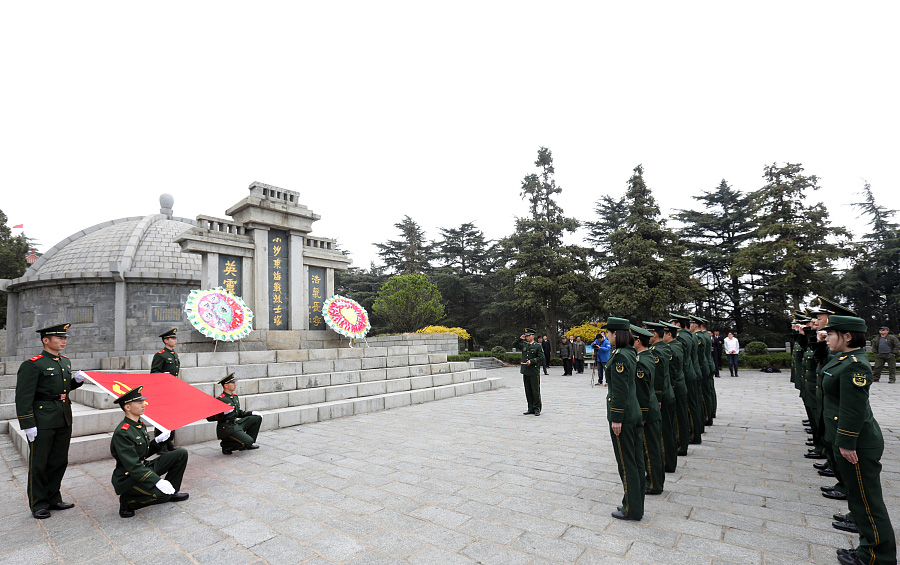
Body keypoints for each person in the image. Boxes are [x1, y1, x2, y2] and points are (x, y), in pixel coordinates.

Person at [821, 315, 896, 565]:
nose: (826, 337)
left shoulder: (856, 365)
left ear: (847, 336)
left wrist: (846, 442)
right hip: (850, 440)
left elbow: (853, 409)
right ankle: (868, 549)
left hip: (858, 443)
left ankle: (877, 557)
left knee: (867, 502)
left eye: (830, 334)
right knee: (859, 499)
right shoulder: (844, 359)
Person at [16, 323, 85, 519]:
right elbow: (23, 397)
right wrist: (28, 424)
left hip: (63, 417)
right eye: (59, 338)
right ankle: (38, 503)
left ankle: (54, 498)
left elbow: (62, 389)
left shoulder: (65, 362)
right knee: (39, 464)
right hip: (42, 420)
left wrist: (75, 382)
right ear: (45, 340)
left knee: (59, 461)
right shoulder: (33, 364)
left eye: (65, 338)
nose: (64, 341)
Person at [111, 386, 189, 518]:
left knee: (181, 454)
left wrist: (157, 442)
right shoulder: (123, 432)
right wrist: (158, 481)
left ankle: (172, 491)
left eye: (143, 401)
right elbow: (133, 465)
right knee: (162, 495)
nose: (143, 405)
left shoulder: (139, 425)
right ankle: (128, 501)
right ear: (127, 407)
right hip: (128, 476)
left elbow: (142, 453)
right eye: (139, 402)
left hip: (142, 467)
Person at [604, 317, 644, 520]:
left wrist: (616, 417)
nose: (607, 336)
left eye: (609, 333)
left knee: (627, 464)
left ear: (616, 334)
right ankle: (634, 504)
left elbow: (620, 390)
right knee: (636, 462)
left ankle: (632, 509)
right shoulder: (629, 352)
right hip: (633, 412)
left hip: (624, 416)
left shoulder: (620, 356)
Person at [632, 325, 664, 495]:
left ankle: (653, 484)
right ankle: (656, 480)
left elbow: (642, 391)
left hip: (647, 410)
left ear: (638, 341)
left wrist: (642, 414)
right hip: (652, 407)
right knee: (654, 447)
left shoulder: (641, 361)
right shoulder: (648, 356)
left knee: (649, 449)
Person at [646, 321, 678, 472]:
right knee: (669, 430)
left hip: (662, 396)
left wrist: (657, 398)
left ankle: (667, 463)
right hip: (668, 393)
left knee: (664, 432)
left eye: (649, 333)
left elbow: (658, 377)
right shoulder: (665, 347)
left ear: (654, 334)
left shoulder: (656, 351)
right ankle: (670, 461)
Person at [207, 373, 263, 452]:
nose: (235, 384)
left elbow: (238, 413)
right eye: (232, 383)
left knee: (256, 418)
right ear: (226, 385)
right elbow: (209, 418)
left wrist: (251, 413)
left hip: (235, 424)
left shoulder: (234, 397)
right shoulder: (220, 399)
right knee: (247, 441)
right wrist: (223, 413)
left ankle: (248, 443)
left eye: (235, 383)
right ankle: (226, 445)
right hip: (226, 428)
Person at [150, 328, 180, 451]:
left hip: (172, 390)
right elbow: (154, 373)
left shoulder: (174, 355)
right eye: (172, 338)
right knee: (163, 417)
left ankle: (169, 442)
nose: (175, 340)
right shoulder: (160, 355)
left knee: (172, 416)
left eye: (175, 338)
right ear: (165, 340)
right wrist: (164, 377)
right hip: (162, 391)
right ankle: (161, 444)